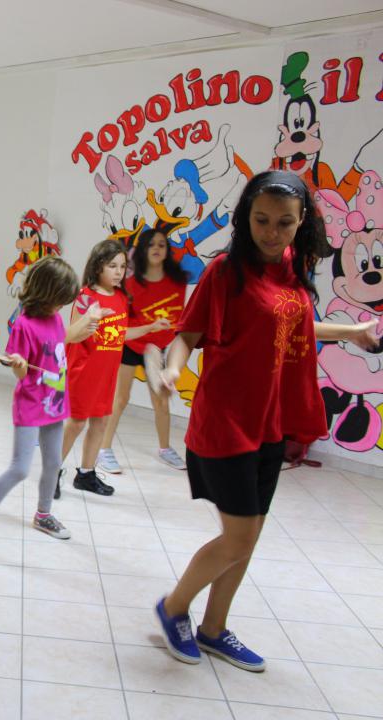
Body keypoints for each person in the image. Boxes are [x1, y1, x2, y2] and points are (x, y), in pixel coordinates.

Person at [153, 170, 380, 672]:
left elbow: (292, 324)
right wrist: (172, 370)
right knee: (238, 537)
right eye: (261, 220)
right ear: (245, 218)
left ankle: (214, 629)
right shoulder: (225, 272)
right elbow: (188, 334)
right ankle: (173, 608)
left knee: (249, 537)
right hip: (225, 422)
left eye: (284, 222)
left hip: (269, 424)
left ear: (302, 222)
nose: (272, 232)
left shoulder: (294, 266)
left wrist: (351, 332)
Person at [0, 257, 100, 555]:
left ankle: (43, 514)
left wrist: (88, 321)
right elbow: (21, 373)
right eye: (60, 300)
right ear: (46, 293)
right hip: (30, 405)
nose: (62, 306)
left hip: (55, 403)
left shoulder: (56, 318)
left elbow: (59, 347)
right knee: (20, 469)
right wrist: (19, 364)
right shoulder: (24, 325)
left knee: (53, 463)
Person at [59, 239, 170, 496]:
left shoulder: (120, 297)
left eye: (122, 266)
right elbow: (72, 334)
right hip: (83, 372)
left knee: (100, 423)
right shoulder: (86, 296)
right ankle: (52, 471)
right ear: (98, 266)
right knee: (76, 423)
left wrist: (150, 327)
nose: (119, 272)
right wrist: (91, 321)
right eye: (112, 266)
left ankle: (86, 474)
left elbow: (121, 334)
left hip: (107, 373)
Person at [97, 229, 189, 473]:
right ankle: (104, 449)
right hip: (130, 345)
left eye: (161, 244)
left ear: (167, 251)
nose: (157, 248)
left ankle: (165, 449)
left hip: (156, 349)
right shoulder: (129, 285)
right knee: (121, 399)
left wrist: (162, 352)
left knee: (161, 401)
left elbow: (178, 319)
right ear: (143, 250)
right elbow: (122, 322)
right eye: (151, 245)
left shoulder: (178, 283)